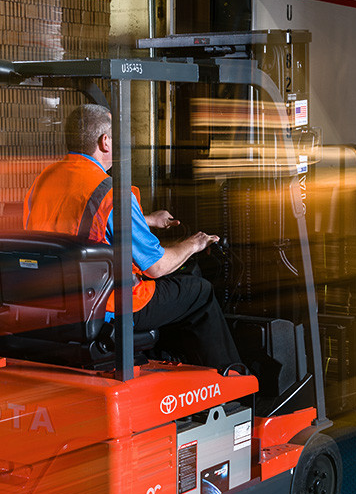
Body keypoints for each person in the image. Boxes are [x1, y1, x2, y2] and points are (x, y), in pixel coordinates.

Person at [23, 103, 242, 372]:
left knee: (180, 282)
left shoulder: (43, 181)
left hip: (58, 302)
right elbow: (156, 266)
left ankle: (165, 361)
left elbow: (70, 226)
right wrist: (193, 244)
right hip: (110, 306)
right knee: (198, 290)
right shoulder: (111, 193)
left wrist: (145, 220)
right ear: (105, 142)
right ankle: (232, 380)